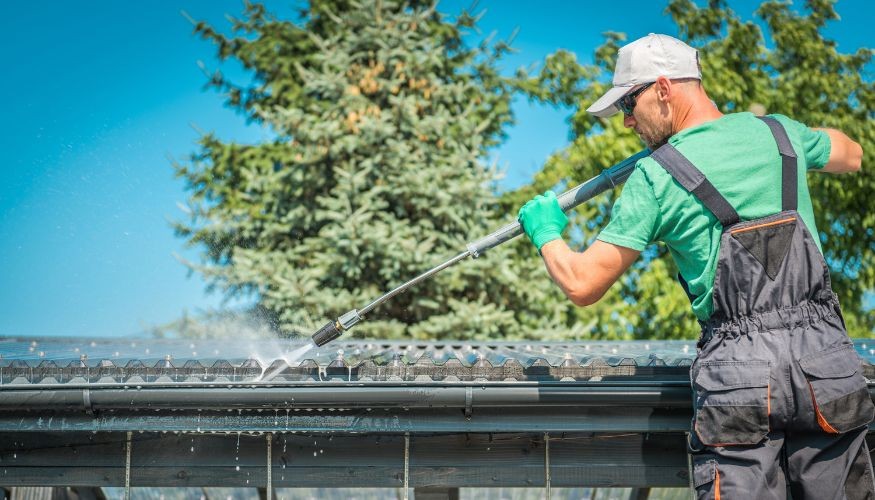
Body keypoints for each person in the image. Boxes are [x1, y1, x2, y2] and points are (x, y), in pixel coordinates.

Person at [517, 33, 873, 499]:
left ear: (664, 88)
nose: (627, 121)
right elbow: (852, 154)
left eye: (628, 103)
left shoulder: (655, 176)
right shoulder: (780, 134)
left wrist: (545, 232)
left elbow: (582, 283)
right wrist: (774, 135)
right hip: (824, 363)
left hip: (741, 377)